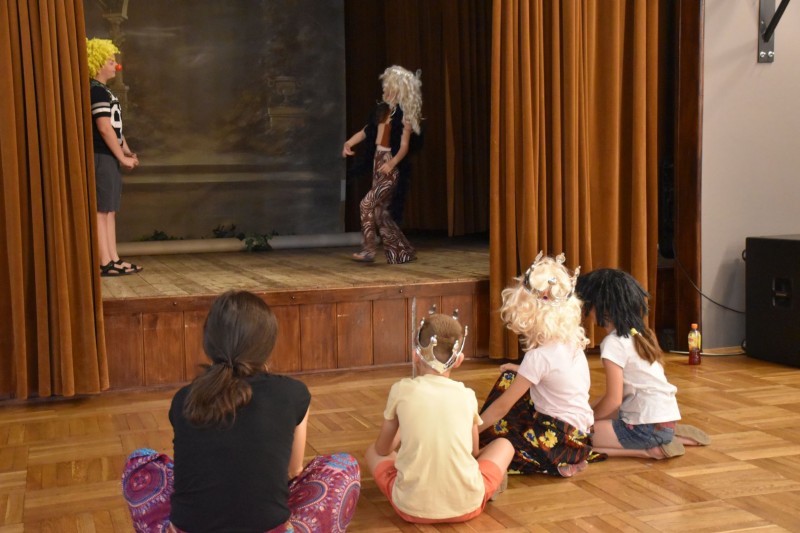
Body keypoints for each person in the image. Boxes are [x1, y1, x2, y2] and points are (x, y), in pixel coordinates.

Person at [121, 290, 361, 533]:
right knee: (344, 464)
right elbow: (293, 470)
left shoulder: (184, 398)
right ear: (268, 344)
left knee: (140, 460)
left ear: (209, 342)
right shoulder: (293, 393)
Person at [365, 311, 515, 523]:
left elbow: (383, 449)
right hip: (468, 505)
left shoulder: (401, 390)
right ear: (459, 360)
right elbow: (474, 452)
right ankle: (482, 483)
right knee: (504, 445)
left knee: (372, 452)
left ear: (415, 355)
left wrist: (406, 425)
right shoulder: (467, 395)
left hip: (410, 508)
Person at [478, 252, 602, 477]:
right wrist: (521, 371)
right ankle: (567, 459)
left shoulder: (539, 357)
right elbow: (558, 378)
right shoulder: (571, 342)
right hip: (580, 437)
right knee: (511, 377)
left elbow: (501, 407)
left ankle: (550, 462)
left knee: (500, 443)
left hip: (554, 440)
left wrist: (469, 433)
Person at [575, 268, 711, 459]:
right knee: (592, 424)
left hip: (644, 428)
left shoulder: (613, 343)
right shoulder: (640, 334)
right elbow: (619, 396)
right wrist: (588, 410)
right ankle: (669, 436)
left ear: (599, 306)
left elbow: (614, 401)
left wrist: (584, 422)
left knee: (578, 438)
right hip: (663, 420)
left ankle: (650, 450)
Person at [342, 65, 422, 265]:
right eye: (385, 87)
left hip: (389, 165)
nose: (385, 90)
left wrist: (392, 163)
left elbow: (404, 146)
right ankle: (403, 251)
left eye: (389, 86)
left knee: (366, 204)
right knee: (380, 213)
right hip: (377, 163)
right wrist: (349, 143)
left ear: (398, 88)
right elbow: (366, 131)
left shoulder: (405, 116)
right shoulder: (382, 111)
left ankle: (368, 250)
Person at [86, 38, 142, 276]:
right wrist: (121, 157)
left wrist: (125, 150)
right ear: (97, 63)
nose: (115, 65)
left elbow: (115, 129)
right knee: (102, 210)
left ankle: (113, 258)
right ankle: (104, 261)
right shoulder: (96, 91)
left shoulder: (104, 91)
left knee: (109, 209)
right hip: (101, 156)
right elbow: (104, 128)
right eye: (110, 61)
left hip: (108, 157)